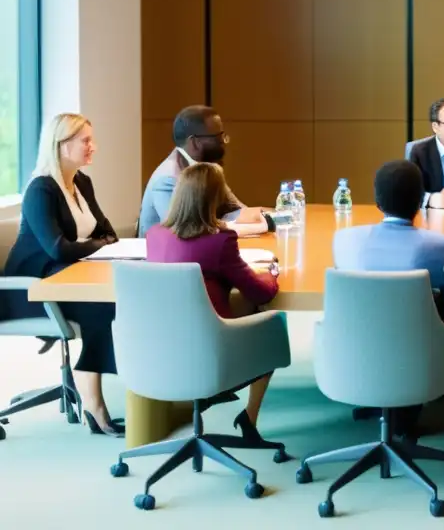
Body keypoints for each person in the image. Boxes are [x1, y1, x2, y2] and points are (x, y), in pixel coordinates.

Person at [0, 114, 123, 436]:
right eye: (85, 141)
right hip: (30, 290)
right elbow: (58, 249)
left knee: (114, 302)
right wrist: (96, 244)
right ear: (61, 145)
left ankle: (94, 400)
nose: (92, 147)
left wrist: (91, 243)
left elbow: (108, 231)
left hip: (65, 278)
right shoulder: (41, 189)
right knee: (103, 308)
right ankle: (95, 407)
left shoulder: (81, 182)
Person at [332, 160, 444, 439]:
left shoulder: (344, 240)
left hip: (358, 349)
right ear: (420, 200)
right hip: (417, 353)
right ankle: (406, 409)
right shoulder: (439, 246)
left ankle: (379, 397)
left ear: (377, 201)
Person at [145, 162, 281, 443]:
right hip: (211, 346)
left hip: (159, 347)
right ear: (214, 198)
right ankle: (250, 417)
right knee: (273, 325)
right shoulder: (219, 240)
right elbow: (260, 293)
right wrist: (273, 273)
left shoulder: (155, 235)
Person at [138, 105, 267, 237]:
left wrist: (277, 215)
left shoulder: (208, 170)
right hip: (168, 256)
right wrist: (240, 225)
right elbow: (184, 231)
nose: (224, 142)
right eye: (217, 137)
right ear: (194, 142)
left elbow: (237, 210)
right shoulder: (167, 178)